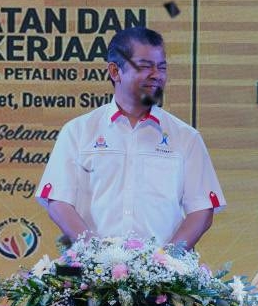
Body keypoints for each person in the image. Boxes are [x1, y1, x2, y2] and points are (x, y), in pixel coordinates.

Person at [37, 26, 225, 249]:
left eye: (162, 67)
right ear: (115, 71)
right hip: (92, 275)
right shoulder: (78, 131)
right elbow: (58, 202)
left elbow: (201, 210)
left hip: (164, 278)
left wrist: (166, 261)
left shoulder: (185, 137)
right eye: (145, 67)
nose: (157, 75)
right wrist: (96, 254)